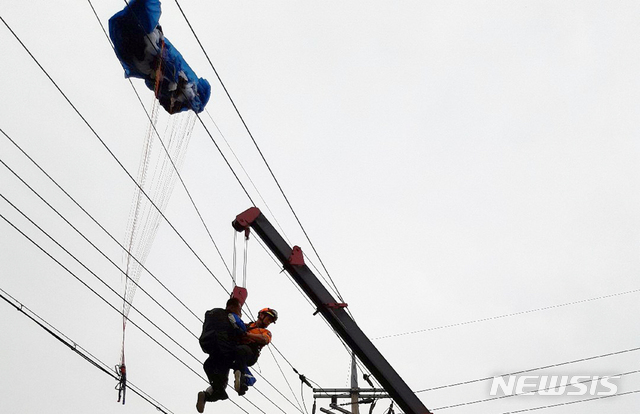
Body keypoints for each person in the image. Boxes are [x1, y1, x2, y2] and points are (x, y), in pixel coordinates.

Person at [196, 298, 249, 412]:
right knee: (243, 353)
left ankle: (206, 395)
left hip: (212, 350)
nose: (241, 314)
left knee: (220, 388)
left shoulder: (213, 313)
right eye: (240, 311)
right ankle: (239, 373)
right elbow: (241, 330)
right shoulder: (231, 316)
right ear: (234, 307)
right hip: (226, 350)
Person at [233, 308, 278, 395]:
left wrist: (247, 334)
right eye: (268, 319)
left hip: (250, 354)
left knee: (241, 350)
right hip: (237, 352)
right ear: (261, 315)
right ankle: (211, 391)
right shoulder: (246, 326)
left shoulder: (266, 332)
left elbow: (265, 339)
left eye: (271, 321)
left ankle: (241, 375)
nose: (269, 322)